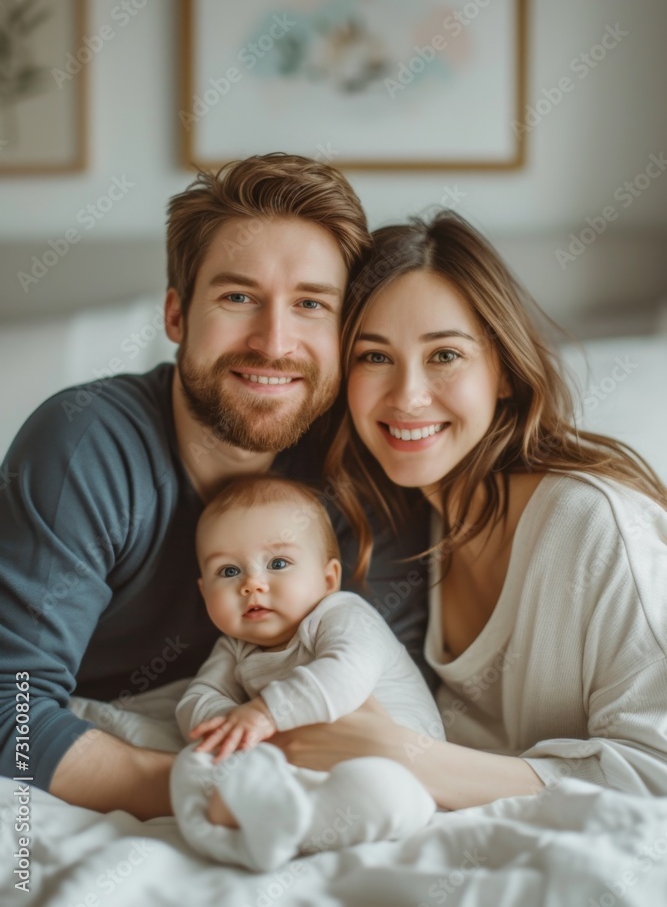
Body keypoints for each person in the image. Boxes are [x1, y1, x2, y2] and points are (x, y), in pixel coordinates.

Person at [0, 154, 433, 821]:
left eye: (311, 305)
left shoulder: (365, 463)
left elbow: (393, 700)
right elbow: (13, 711)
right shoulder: (83, 445)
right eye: (238, 298)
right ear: (176, 314)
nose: (273, 343)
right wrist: (214, 795)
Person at [266, 210, 667, 810]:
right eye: (373, 357)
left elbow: (656, 773)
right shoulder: (398, 529)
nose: (406, 397)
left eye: (445, 356)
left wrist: (404, 756)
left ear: (502, 371)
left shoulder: (590, 525)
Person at [169, 473, 441, 872]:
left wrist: (263, 714)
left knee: (390, 796)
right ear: (203, 590)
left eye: (278, 563)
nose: (252, 584)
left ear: (328, 578)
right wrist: (231, 730)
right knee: (190, 763)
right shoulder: (234, 646)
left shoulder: (342, 615)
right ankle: (267, 821)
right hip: (298, 768)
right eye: (228, 572)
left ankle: (275, 826)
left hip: (392, 762)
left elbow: (344, 676)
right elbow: (195, 700)